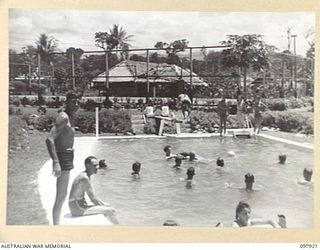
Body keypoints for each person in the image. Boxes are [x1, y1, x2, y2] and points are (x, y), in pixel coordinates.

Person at [46, 91, 80, 225]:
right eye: (73, 101)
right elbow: (49, 139)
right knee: (61, 195)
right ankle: (56, 226)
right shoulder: (64, 117)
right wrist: (56, 162)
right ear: (67, 101)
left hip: (68, 155)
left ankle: (57, 224)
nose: (76, 103)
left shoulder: (70, 117)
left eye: (77, 101)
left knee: (63, 194)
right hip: (62, 156)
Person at [68, 156, 118, 223]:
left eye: (97, 165)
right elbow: (93, 199)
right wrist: (103, 206)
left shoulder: (85, 175)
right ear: (88, 166)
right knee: (111, 210)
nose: (97, 167)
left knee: (107, 206)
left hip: (78, 205)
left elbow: (93, 198)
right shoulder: (84, 178)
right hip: (77, 208)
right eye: (95, 165)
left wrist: (104, 205)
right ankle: (118, 230)